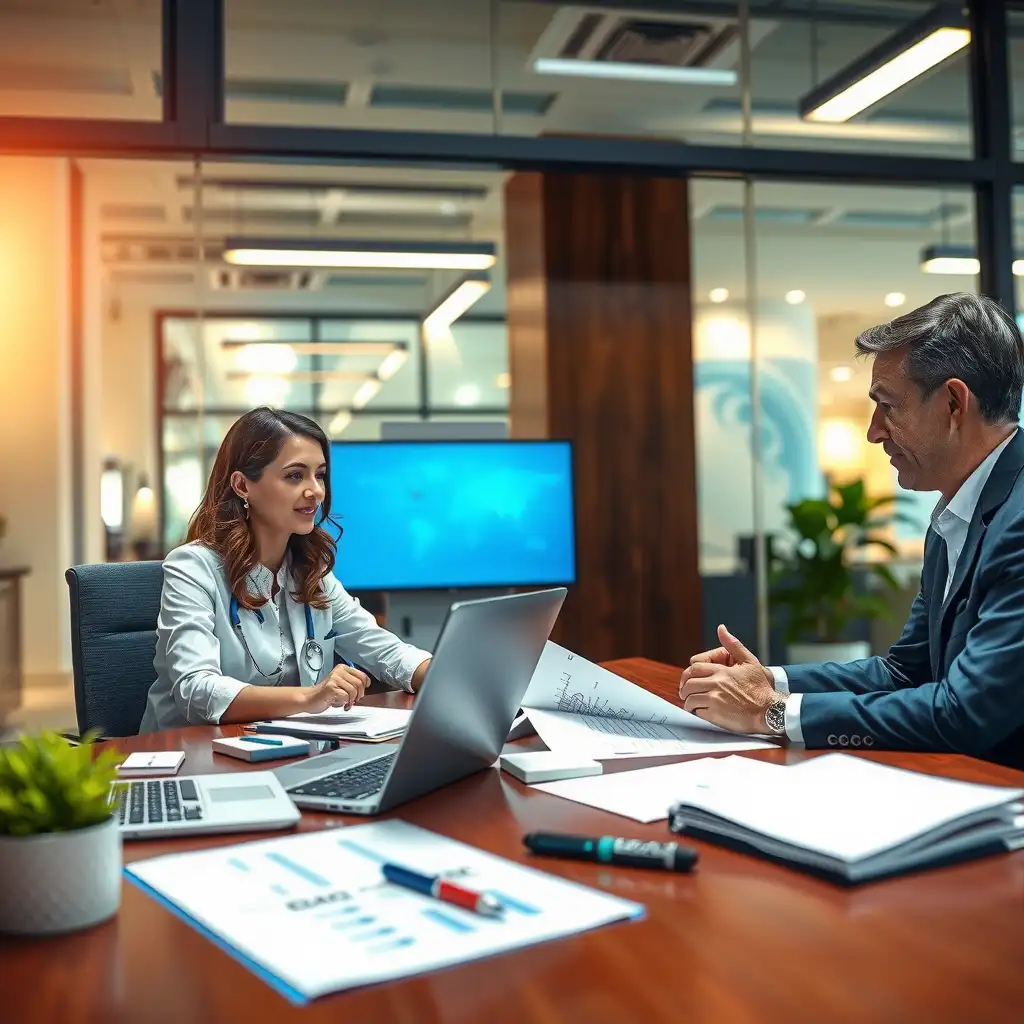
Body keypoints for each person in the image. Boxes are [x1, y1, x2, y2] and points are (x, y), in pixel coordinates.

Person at [679, 292, 1024, 768]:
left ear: (952, 402)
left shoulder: (1018, 523)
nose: (874, 431)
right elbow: (904, 672)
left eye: (888, 406)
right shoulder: (956, 514)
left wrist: (771, 712)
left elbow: (966, 713)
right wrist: (767, 681)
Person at [139, 408, 432, 732]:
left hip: (282, 751)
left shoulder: (309, 571)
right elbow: (196, 691)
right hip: (192, 759)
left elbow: (385, 651)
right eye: (295, 475)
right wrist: (311, 698)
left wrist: (446, 677)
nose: (316, 491)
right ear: (242, 485)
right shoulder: (193, 568)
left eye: (319, 475)